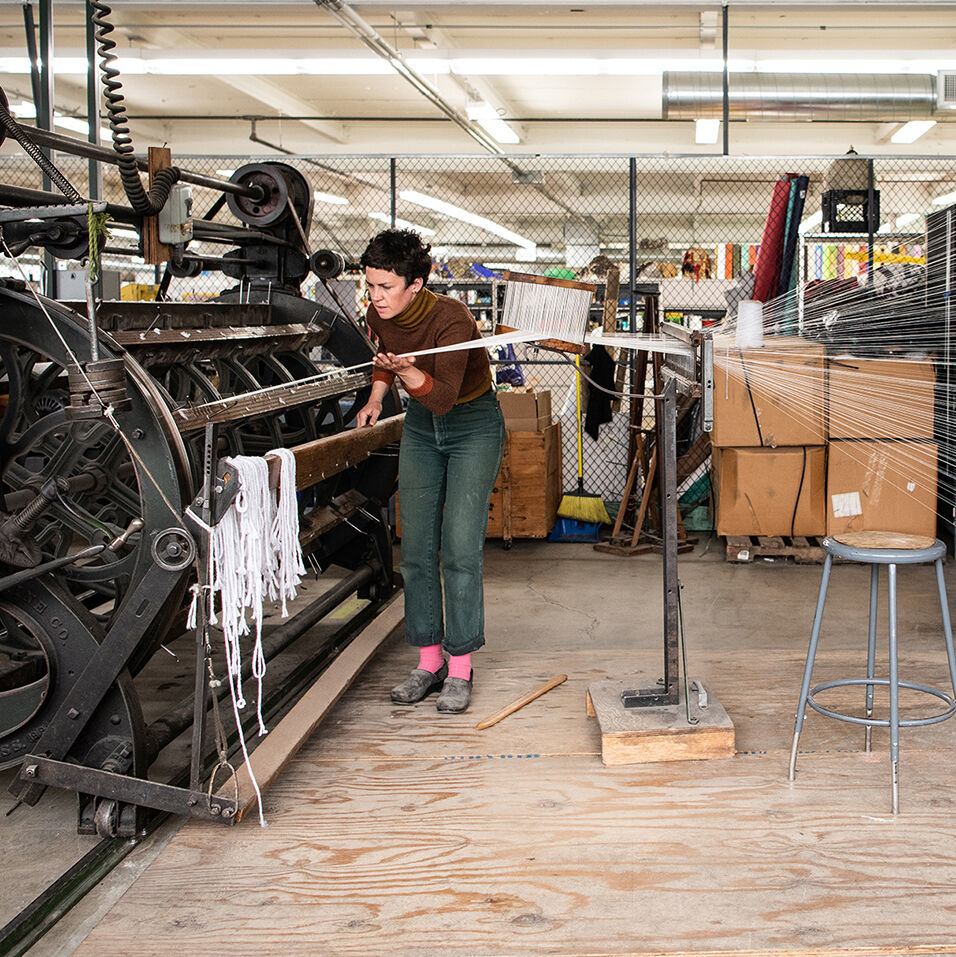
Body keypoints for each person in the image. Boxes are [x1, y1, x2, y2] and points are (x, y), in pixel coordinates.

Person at [356, 229, 505, 714]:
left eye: (385, 287)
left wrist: (406, 373)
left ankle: (460, 668)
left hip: (470, 424)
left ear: (415, 284)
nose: (375, 297)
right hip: (420, 427)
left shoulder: (452, 318)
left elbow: (441, 398)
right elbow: (384, 357)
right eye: (370, 285)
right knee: (416, 550)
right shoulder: (378, 314)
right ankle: (428, 662)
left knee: (460, 549)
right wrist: (378, 394)